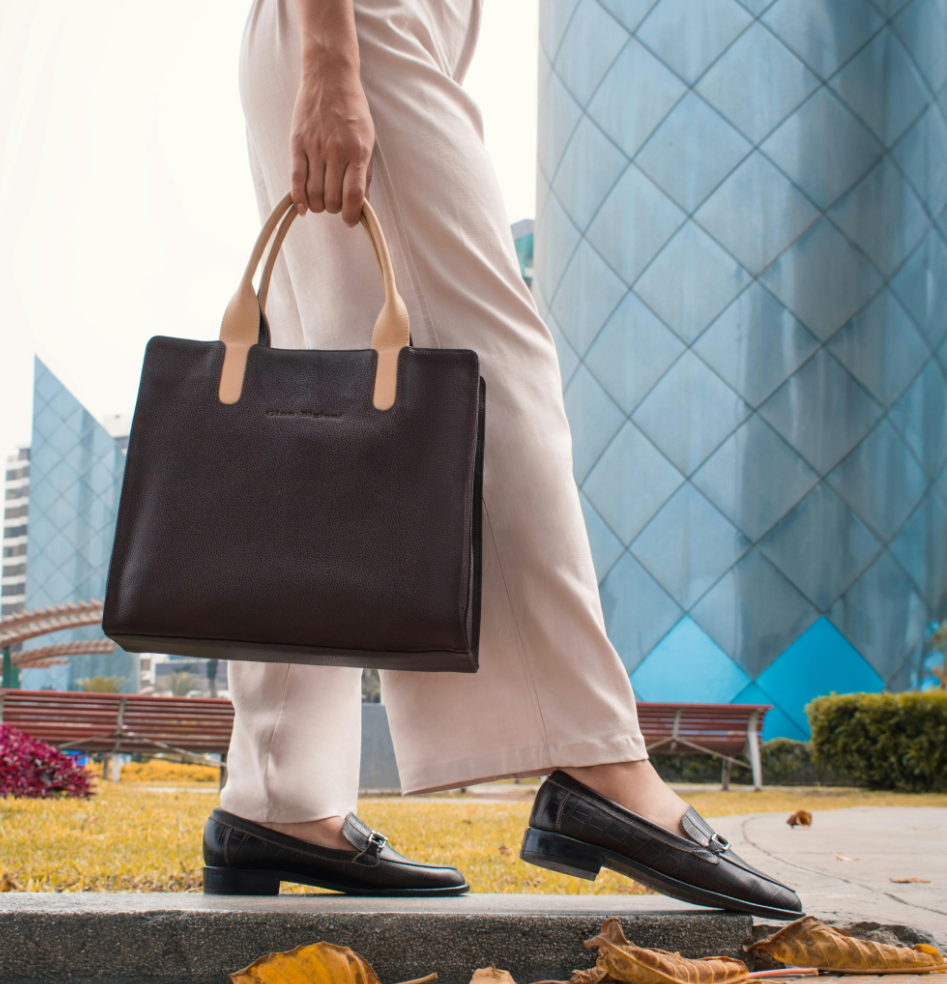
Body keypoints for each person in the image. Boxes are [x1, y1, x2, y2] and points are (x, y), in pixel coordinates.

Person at [201, 0, 801, 919]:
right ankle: (596, 759)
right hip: (356, 27)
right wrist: (331, 59)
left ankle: (279, 798)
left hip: (362, 37)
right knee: (485, 372)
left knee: (321, 411)